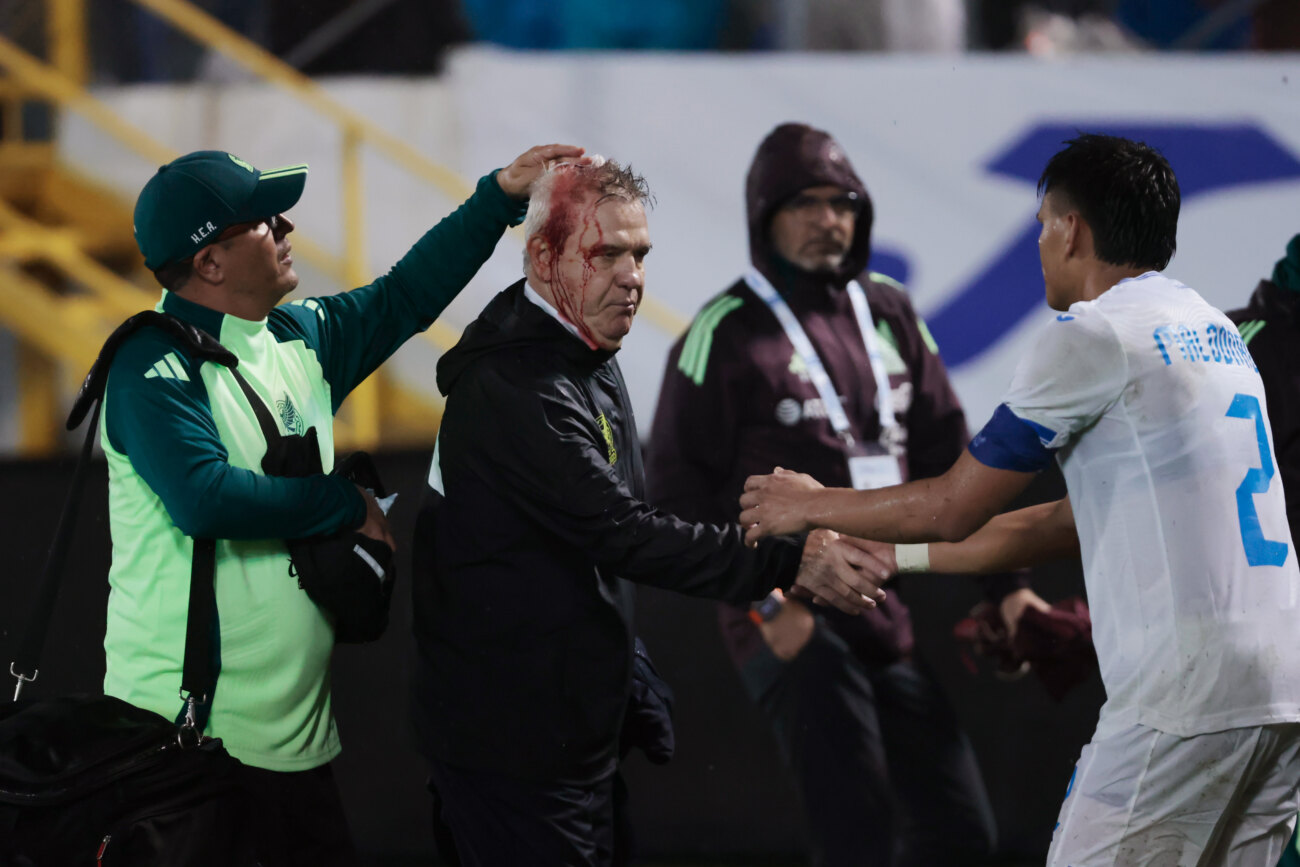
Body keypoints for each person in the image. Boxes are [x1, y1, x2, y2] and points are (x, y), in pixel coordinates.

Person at [739, 133, 1300, 864]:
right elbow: (1065, 520)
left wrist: (811, 504)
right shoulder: (1215, 331)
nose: (1038, 243)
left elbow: (953, 503)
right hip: (1281, 693)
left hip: (1181, 700)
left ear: (1072, 229)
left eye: (1041, 225)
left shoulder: (1094, 336)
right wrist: (895, 553)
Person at [108, 143, 578, 866]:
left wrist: (497, 199)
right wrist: (342, 504)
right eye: (265, 221)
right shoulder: (148, 364)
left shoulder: (295, 337)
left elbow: (403, 298)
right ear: (209, 262)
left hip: (292, 743)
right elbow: (202, 497)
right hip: (183, 746)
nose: (287, 226)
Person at [409, 157, 887, 867]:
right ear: (543, 256)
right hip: (512, 756)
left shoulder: (581, 350)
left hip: (565, 742)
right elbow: (622, 531)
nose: (632, 276)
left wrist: (616, 662)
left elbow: (583, 538)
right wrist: (792, 559)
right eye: (607, 253)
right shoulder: (518, 385)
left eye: (639, 254)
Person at [646, 121, 1032, 866]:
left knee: (962, 831)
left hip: (885, 608)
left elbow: (954, 454)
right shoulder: (722, 332)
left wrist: (1007, 589)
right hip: (787, 615)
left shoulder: (891, 310)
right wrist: (761, 600)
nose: (830, 220)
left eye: (844, 204)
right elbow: (672, 494)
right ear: (764, 214)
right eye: (807, 204)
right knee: (856, 835)